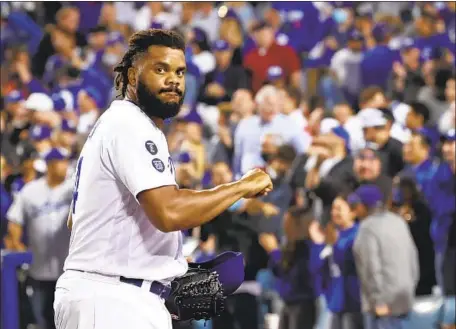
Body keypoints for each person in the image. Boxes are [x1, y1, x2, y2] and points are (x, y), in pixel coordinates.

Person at [53, 29, 273, 329]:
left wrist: (164, 271)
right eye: (161, 69)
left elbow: (78, 222)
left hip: (112, 295)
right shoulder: (131, 124)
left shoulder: (118, 124)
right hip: (113, 300)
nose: (174, 80)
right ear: (132, 77)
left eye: (180, 72)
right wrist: (241, 186)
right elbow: (169, 212)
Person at [6, 148, 73, 329]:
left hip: (69, 271)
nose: (64, 166)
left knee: (68, 321)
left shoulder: (72, 188)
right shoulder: (30, 191)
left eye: (66, 162)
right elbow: (14, 220)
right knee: (43, 320)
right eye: (60, 162)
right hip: (39, 271)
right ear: (50, 165)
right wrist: (17, 242)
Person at [351, 185, 419, 329]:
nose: (354, 210)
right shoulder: (398, 221)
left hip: (383, 306)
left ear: (363, 206)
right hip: (405, 298)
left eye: (355, 205)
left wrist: (378, 301)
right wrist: (410, 289)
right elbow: (413, 260)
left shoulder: (368, 228)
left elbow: (370, 268)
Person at [309, 193, 363, 329]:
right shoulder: (331, 234)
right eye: (333, 209)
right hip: (334, 302)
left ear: (352, 212)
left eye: (339, 209)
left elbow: (348, 264)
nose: (334, 213)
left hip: (353, 302)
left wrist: (334, 244)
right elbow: (316, 267)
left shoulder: (358, 234)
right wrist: (319, 244)